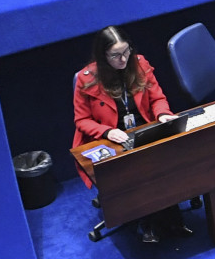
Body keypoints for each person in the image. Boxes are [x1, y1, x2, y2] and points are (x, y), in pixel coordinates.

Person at [72, 27, 186, 244]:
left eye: (126, 52)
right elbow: (82, 121)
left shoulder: (140, 64)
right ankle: (148, 223)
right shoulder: (86, 80)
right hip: (111, 138)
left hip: (143, 130)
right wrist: (107, 131)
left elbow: (157, 98)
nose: (123, 59)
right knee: (137, 170)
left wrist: (162, 114)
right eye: (115, 55)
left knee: (169, 159)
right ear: (103, 56)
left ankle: (172, 218)